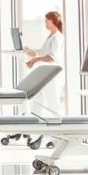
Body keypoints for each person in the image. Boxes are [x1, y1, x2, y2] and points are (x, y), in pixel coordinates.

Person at [22, 11, 65, 149]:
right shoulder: (51, 36)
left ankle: (58, 137)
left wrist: (35, 60)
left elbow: (52, 57)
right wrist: (28, 50)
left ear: (53, 21)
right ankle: (36, 133)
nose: (45, 23)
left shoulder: (57, 37)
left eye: (46, 21)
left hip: (52, 75)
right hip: (45, 75)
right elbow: (42, 52)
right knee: (38, 102)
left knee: (54, 106)